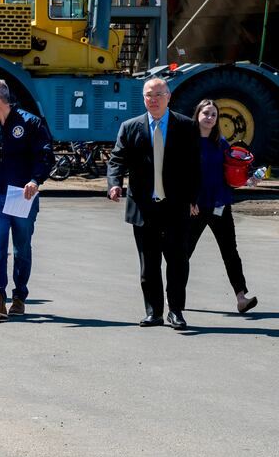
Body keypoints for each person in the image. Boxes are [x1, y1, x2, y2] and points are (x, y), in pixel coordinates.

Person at [107, 77, 200, 330]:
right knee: (148, 264)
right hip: (144, 207)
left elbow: (194, 166)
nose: (154, 99)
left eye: (159, 94)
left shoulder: (186, 126)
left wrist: (193, 198)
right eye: (149, 95)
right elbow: (117, 159)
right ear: (143, 98)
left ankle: (176, 311)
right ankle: (154, 312)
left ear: (169, 97)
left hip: (175, 206)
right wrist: (114, 183)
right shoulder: (130, 127)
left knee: (177, 261)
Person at [0, 79, 55, 320]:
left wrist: (35, 180)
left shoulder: (30, 123)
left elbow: (45, 156)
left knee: (21, 248)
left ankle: (19, 296)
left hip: (22, 195)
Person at [188, 99, 258, 313]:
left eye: (214, 115)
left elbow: (233, 172)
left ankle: (241, 297)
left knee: (230, 251)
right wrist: (188, 200)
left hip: (220, 204)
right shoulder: (187, 142)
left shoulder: (222, 143)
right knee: (182, 253)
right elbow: (179, 174)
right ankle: (174, 295)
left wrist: (248, 179)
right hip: (195, 206)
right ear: (198, 114)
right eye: (206, 113)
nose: (210, 118)